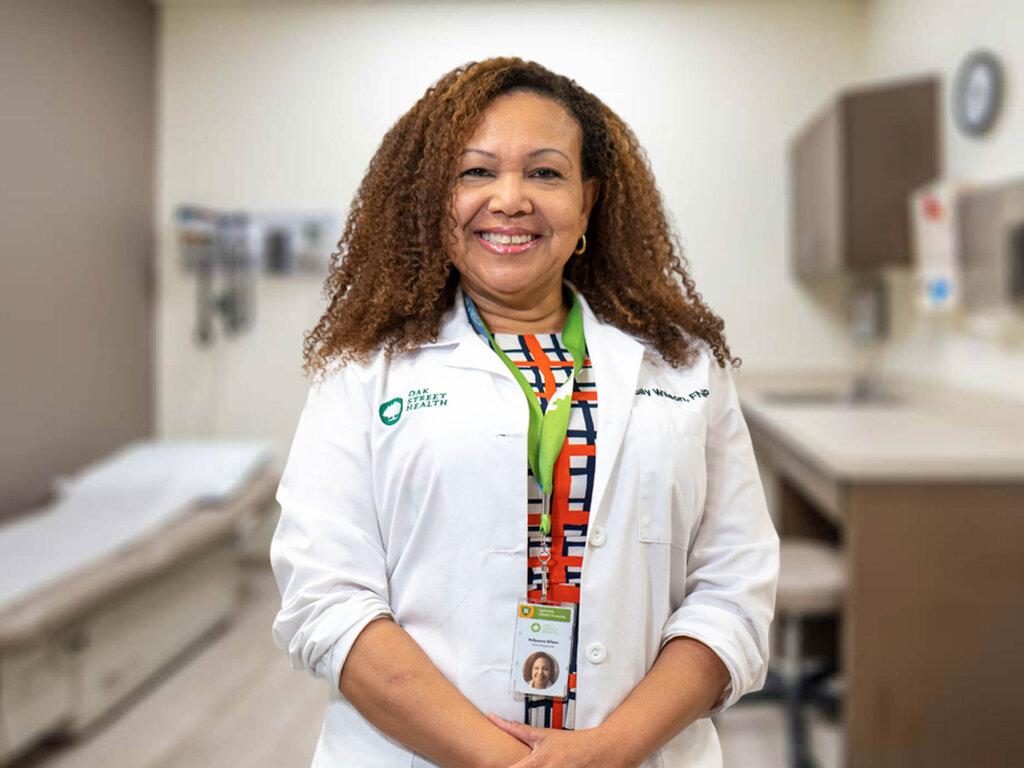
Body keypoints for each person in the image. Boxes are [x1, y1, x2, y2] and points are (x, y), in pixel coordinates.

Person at [271, 57, 778, 768]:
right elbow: (327, 601)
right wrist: (506, 762)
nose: (509, 200)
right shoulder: (361, 369)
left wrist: (610, 750)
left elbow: (733, 591)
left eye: (544, 172)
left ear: (587, 202)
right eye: (474, 172)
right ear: (433, 200)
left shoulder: (683, 365)